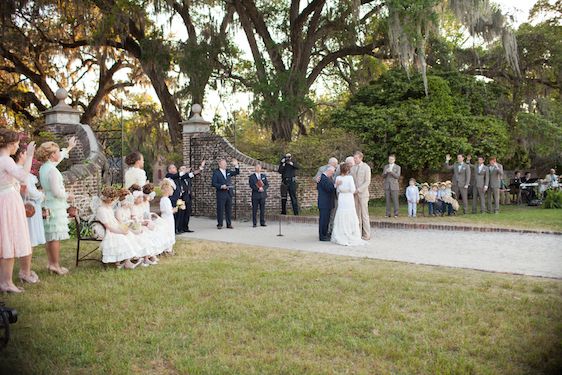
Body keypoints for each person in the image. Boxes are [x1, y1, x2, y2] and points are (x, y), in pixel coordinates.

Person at [0, 129, 36, 293]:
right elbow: (22, 175)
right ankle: (6, 282)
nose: (17, 147)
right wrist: (29, 156)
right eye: (16, 144)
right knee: (9, 239)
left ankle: (5, 280)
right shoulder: (6, 160)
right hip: (8, 201)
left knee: (5, 239)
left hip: (4, 198)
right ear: (11, 144)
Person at [37, 137, 77, 276]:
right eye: (56, 151)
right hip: (55, 206)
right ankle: (55, 265)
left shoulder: (44, 167)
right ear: (51, 155)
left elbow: (59, 159)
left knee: (50, 236)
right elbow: (57, 192)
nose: (59, 153)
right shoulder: (52, 171)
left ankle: (51, 263)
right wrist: (68, 196)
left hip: (47, 204)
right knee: (54, 238)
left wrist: (69, 147)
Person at [13, 146, 44, 283]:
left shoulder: (15, 170)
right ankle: (24, 271)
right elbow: (30, 191)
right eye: (26, 153)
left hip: (25, 206)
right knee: (28, 240)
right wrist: (41, 195)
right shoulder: (19, 171)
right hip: (28, 209)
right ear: (21, 154)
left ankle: (25, 269)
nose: (27, 156)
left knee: (27, 240)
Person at [95, 186, 140, 269]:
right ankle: (125, 262)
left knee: (129, 234)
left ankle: (125, 260)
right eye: (114, 200)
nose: (115, 202)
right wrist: (120, 231)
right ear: (110, 200)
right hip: (104, 230)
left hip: (112, 226)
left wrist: (123, 227)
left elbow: (114, 221)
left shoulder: (108, 208)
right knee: (121, 237)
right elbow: (108, 226)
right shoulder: (101, 210)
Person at [331, 163, 366, 246]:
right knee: (350, 214)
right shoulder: (350, 178)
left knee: (341, 213)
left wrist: (338, 186)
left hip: (342, 197)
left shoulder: (338, 178)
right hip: (349, 197)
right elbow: (353, 189)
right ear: (348, 170)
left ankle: (341, 232)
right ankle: (351, 232)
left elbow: (337, 189)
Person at [166, 161, 205, 234]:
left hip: (179, 199)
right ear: (169, 170)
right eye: (173, 168)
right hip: (173, 199)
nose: (174, 169)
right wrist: (184, 171)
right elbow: (178, 175)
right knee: (175, 215)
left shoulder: (178, 177)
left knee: (180, 215)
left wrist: (200, 168)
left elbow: (190, 175)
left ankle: (179, 228)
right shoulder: (169, 175)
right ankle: (174, 230)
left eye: (175, 167)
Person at [211, 158, 240, 229]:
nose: (225, 165)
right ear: (220, 165)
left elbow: (237, 172)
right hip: (221, 193)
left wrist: (236, 165)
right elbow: (213, 183)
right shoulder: (216, 172)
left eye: (226, 164)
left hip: (229, 193)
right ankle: (220, 224)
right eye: (224, 164)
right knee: (220, 209)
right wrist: (221, 186)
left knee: (229, 209)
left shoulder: (228, 171)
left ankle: (229, 224)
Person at [351, 151, 371, 240]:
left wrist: (358, 190)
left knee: (364, 214)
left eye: (356, 158)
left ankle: (367, 234)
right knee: (357, 214)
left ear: (361, 158)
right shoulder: (353, 168)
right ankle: (358, 233)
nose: (354, 160)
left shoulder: (366, 167)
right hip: (354, 194)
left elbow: (367, 181)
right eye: (354, 158)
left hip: (363, 194)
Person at [317, 166, 336, 241]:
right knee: (323, 220)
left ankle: (325, 234)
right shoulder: (324, 178)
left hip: (325, 202)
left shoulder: (323, 178)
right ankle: (322, 236)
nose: (332, 174)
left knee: (326, 220)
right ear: (329, 171)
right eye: (332, 173)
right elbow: (329, 189)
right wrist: (336, 185)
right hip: (324, 202)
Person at [159, 179, 177, 254]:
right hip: (168, 218)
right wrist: (174, 210)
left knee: (168, 231)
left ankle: (168, 248)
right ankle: (168, 249)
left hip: (166, 217)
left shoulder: (163, 199)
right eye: (172, 189)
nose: (172, 191)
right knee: (169, 232)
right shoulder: (166, 200)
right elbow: (168, 211)